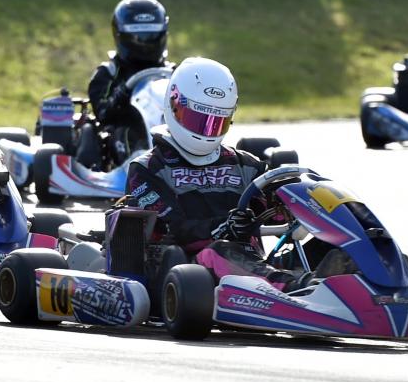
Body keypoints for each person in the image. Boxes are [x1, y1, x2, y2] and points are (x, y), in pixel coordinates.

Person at [126, 57, 312, 293]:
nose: (205, 132)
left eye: (216, 122)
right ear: (173, 105)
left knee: (328, 246)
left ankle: (345, 285)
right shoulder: (147, 169)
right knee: (221, 251)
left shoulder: (245, 164)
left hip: (254, 264)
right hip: (189, 274)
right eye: (197, 120)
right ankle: (292, 288)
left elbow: (276, 215)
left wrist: (295, 201)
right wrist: (223, 228)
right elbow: (175, 229)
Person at [86, 0, 171, 165]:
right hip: (125, 136)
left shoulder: (174, 73)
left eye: (150, 36)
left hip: (171, 132)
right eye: (138, 37)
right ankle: (137, 167)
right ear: (120, 35)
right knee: (125, 132)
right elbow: (102, 114)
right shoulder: (108, 73)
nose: (144, 43)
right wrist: (123, 94)